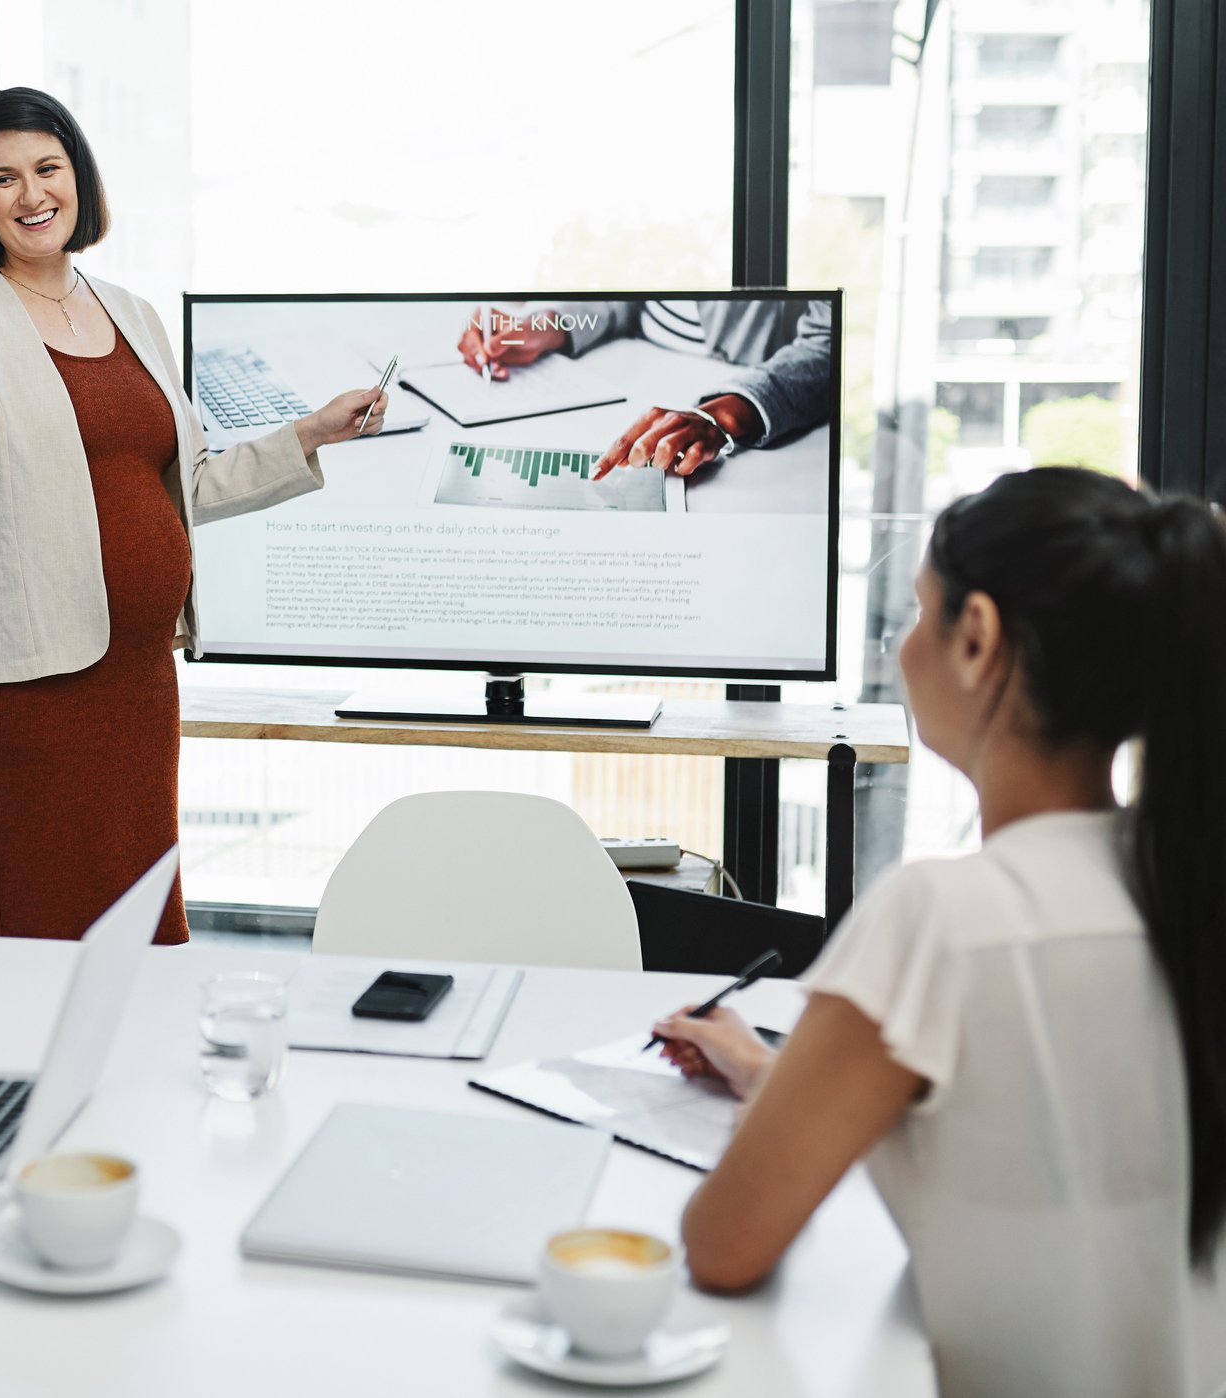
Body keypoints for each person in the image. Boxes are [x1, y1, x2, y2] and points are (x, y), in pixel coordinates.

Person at [649, 467, 1226, 1397]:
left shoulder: (943, 917)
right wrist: (775, 1075)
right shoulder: (1189, 891)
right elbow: (1061, 1140)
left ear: (978, 640)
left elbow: (723, 1247)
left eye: (917, 615)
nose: (901, 646)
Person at [0, 88, 385, 944]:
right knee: (33, 929)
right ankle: (19, 1082)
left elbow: (188, 483)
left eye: (47, 169)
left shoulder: (132, 314)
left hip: (135, 677)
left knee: (137, 921)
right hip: (26, 684)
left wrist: (311, 432)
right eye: (3, 178)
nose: (31, 195)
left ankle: (131, 1079)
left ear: (77, 179)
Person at [454, 298, 832, 479]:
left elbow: (828, 341)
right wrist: (548, 324)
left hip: (756, 405)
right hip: (625, 370)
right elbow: (619, 297)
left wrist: (730, 410)